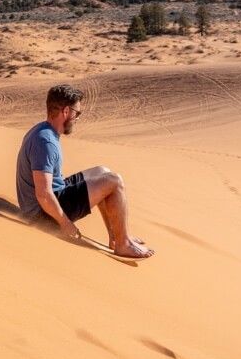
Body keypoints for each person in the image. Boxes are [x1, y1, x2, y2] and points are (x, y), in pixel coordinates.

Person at [15, 84, 153, 258]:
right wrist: (65, 224)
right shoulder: (46, 142)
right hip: (42, 214)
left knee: (103, 171)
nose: (77, 118)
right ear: (66, 111)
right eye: (77, 113)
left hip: (50, 199)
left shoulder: (42, 130)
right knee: (114, 181)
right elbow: (43, 194)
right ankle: (123, 244)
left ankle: (115, 236)